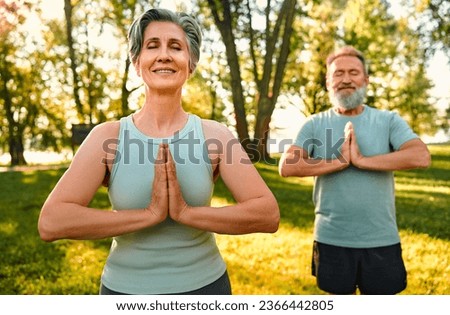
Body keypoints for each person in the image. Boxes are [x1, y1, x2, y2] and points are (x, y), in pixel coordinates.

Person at [38, 8, 279, 295]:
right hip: (125, 292)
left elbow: (267, 214)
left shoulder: (215, 136)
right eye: (153, 46)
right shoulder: (107, 138)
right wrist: (149, 215)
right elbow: (52, 222)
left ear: (190, 64)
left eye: (176, 47)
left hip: (205, 288)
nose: (164, 55)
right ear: (137, 63)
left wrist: (185, 213)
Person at [278, 46, 431, 295]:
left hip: (381, 239)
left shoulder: (388, 120)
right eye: (338, 74)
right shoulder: (315, 123)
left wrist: (361, 160)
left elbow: (420, 156)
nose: (346, 79)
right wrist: (337, 162)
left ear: (366, 80)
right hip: (331, 239)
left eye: (353, 72)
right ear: (328, 82)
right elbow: (288, 166)